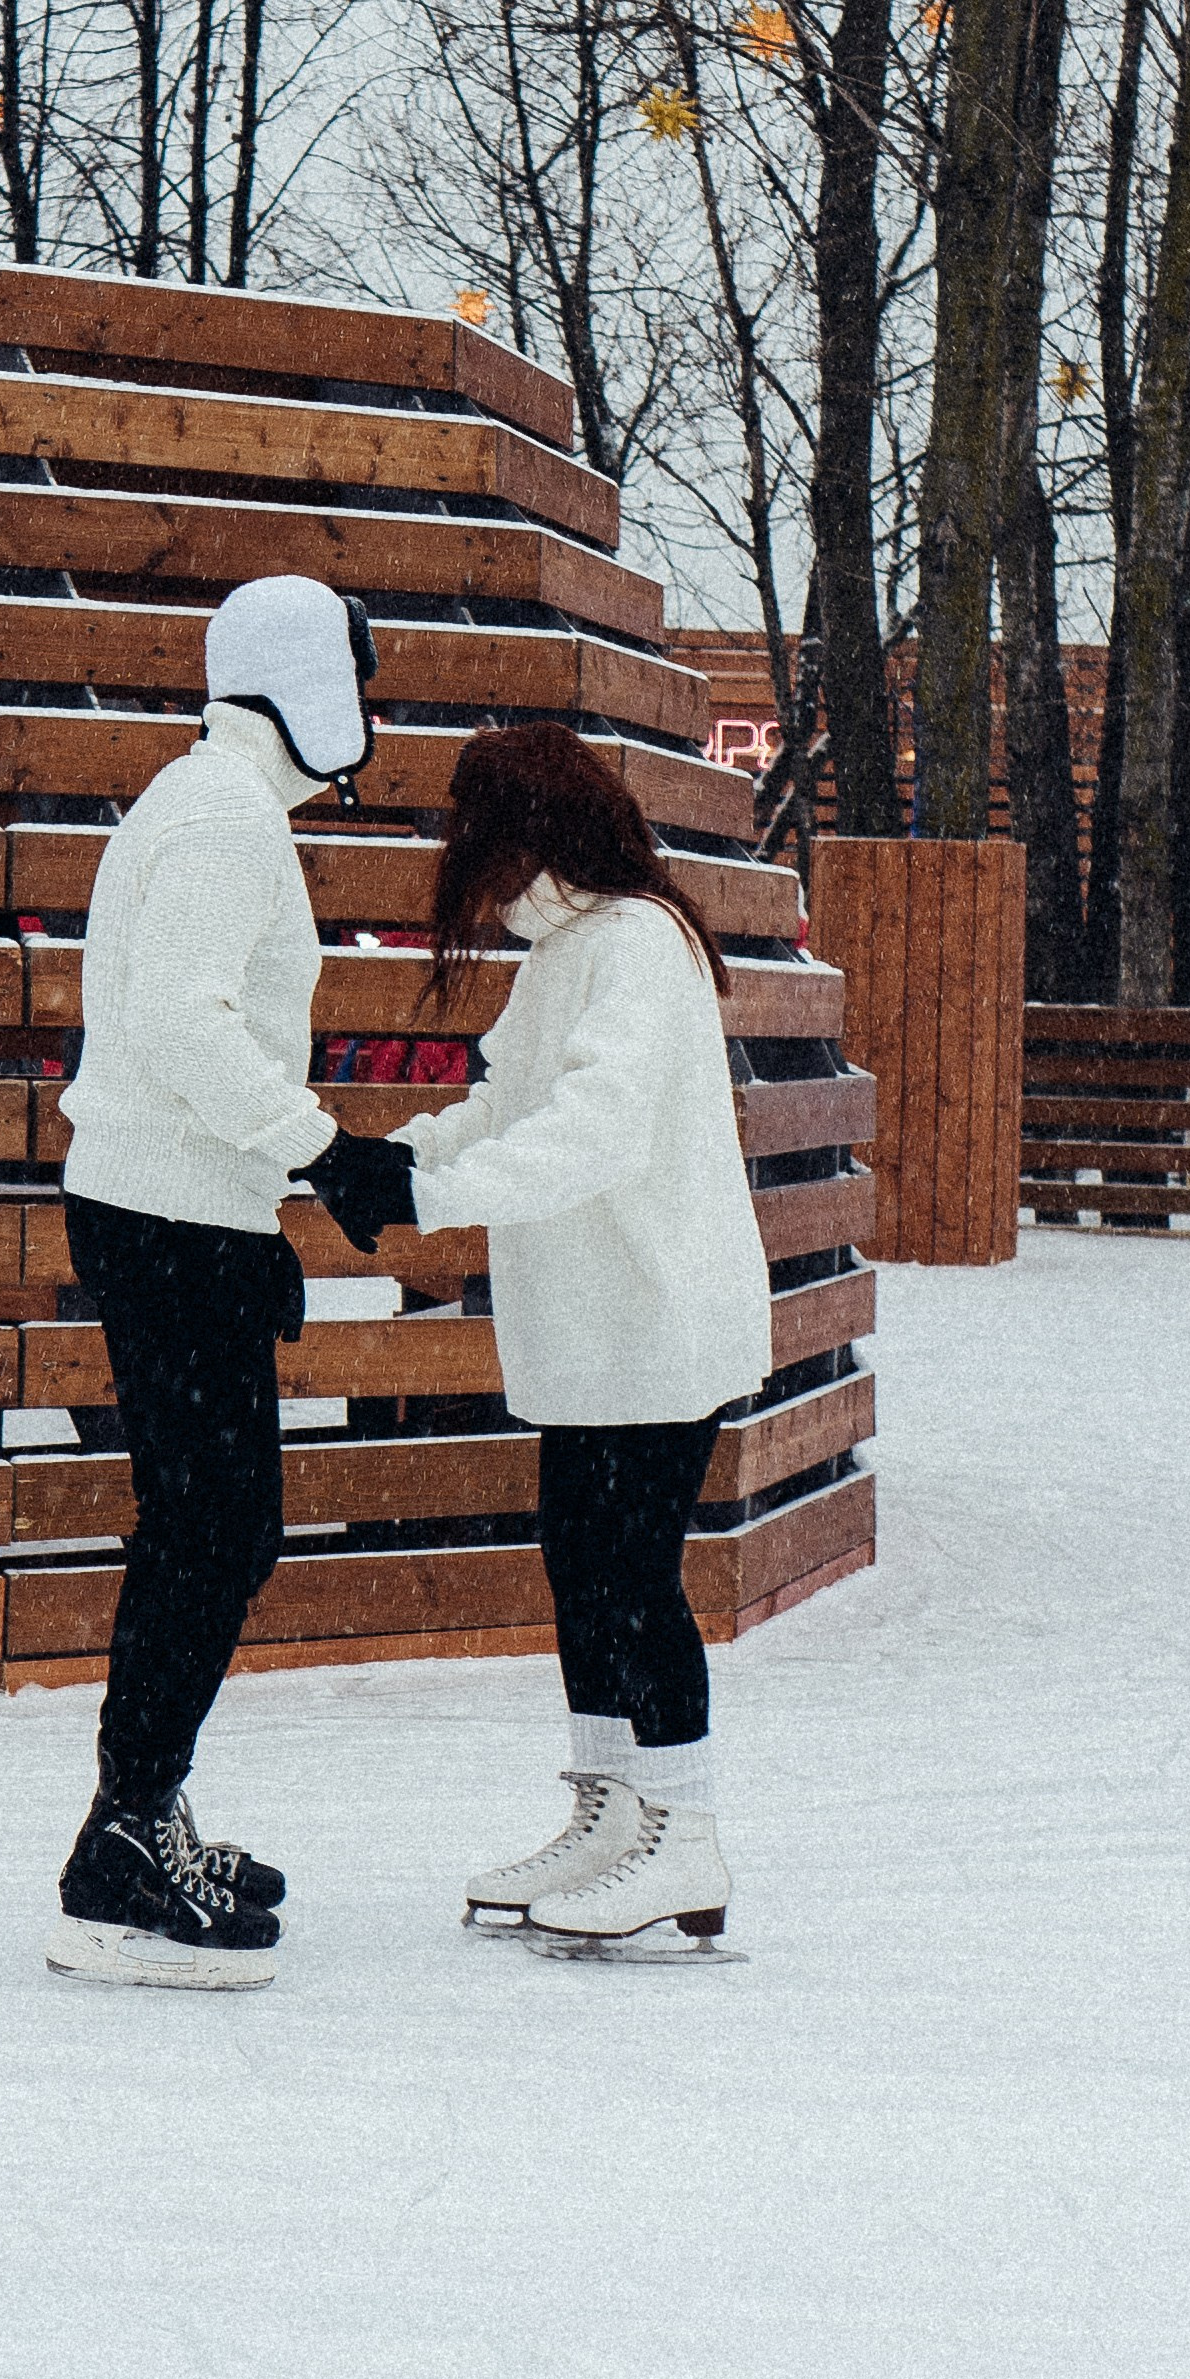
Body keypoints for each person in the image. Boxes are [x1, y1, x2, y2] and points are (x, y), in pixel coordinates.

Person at [332, 720, 773, 1957]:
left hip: (652, 1314)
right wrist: (399, 1156)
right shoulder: (569, 949)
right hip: (587, 1326)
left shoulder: (636, 945)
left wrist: (423, 1200)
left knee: (634, 1582)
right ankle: (612, 1807)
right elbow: (506, 1105)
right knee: (581, 1572)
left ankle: (681, 1831)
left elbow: (589, 1133)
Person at [44, 572, 391, 1991]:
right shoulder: (218, 817)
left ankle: (139, 1810)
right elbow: (176, 1019)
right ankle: (122, 1849)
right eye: (361, 674)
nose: (371, 707)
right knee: (211, 1527)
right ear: (308, 677)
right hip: (166, 1218)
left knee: (209, 1524)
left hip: (179, 1213)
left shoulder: (215, 803)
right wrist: (323, 1151)